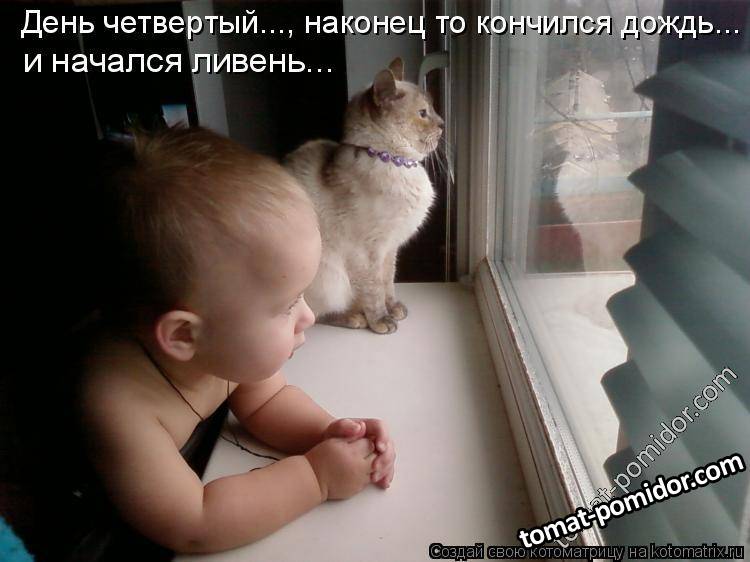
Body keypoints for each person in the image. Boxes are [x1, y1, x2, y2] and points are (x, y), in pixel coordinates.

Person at [73, 125, 396, 555]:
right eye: (286, 305)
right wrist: (316, 478)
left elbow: (266, 402)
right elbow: (194, 522)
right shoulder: (117, 405)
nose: (308, 316)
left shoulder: (220, 343)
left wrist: (329, 435)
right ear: (183, 335)